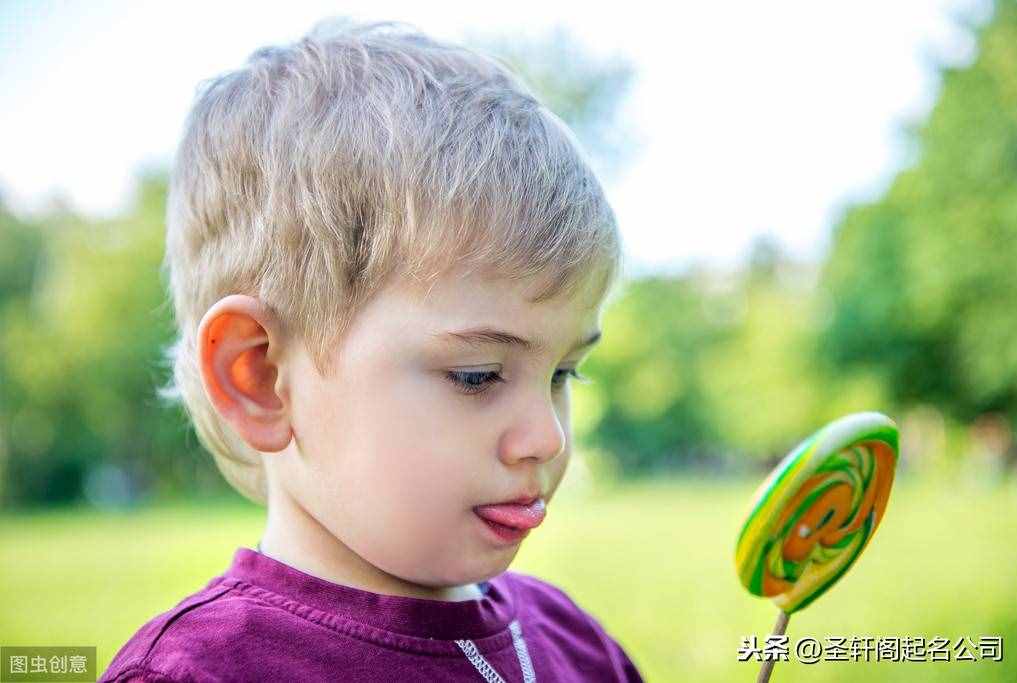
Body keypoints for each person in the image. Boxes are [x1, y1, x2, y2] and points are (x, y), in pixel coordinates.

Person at [99, 16, 642, 682]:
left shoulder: (571, 640)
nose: (547, 436)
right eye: (476, 375)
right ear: (261, 377)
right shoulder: (206, 671)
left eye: (563, 372)